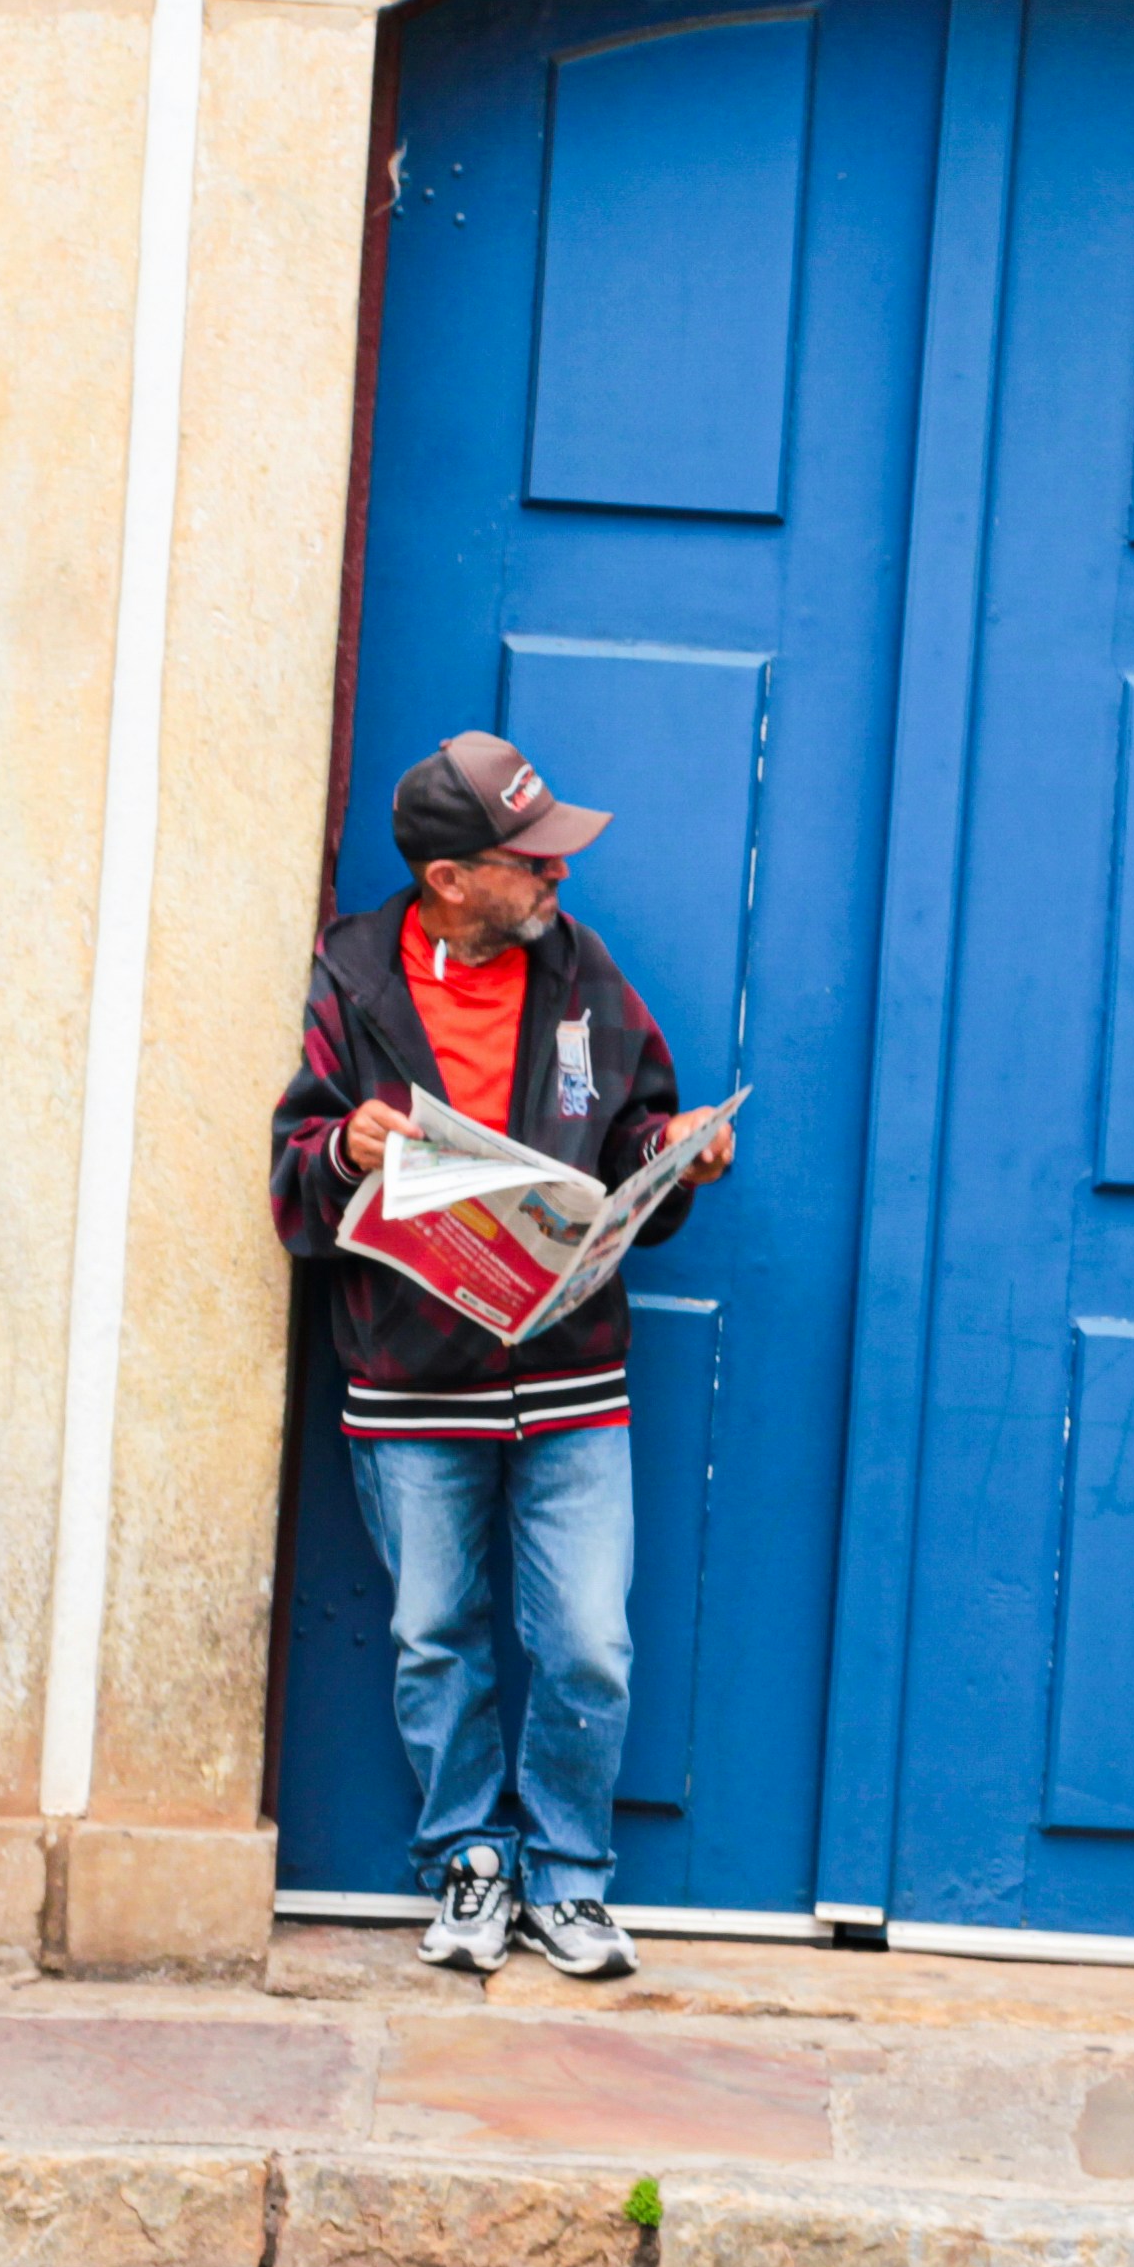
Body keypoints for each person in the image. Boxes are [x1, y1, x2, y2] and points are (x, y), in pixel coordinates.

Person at [270, 731, 738, 1981]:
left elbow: (636, 1117)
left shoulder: (583, 974)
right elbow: (293, 1166)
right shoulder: (353, 977)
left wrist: (679, 1151)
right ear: (451, 882)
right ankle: (471, 1858)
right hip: (412, 1376)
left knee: (588, 1638)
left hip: (571, 1368)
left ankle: (572, 1877)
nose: (558, 882)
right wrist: (347, 1153)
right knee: (437, 1632)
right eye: (531, 863)